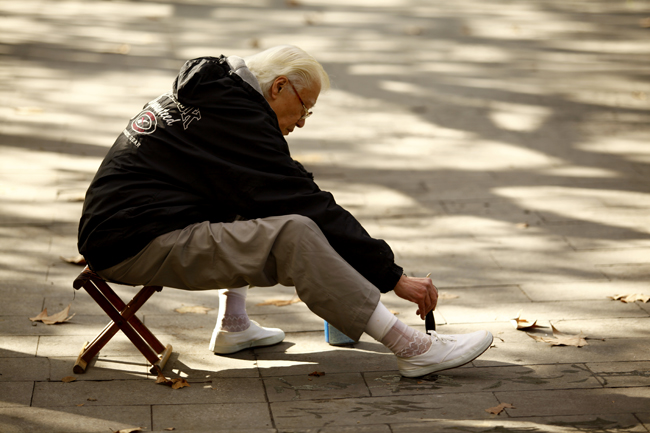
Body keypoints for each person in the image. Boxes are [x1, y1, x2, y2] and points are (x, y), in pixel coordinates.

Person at [78, 45, 492, 378]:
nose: (304, 121)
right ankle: (412, 348)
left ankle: (234, 325)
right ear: (278, 87)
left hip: (127, 229)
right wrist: (393, 276)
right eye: (305, 107)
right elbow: (306, 203)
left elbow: (269, 191)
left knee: (253, 201)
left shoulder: (218, 91)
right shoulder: (238, 119)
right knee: (292, 231)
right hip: (134, 242)